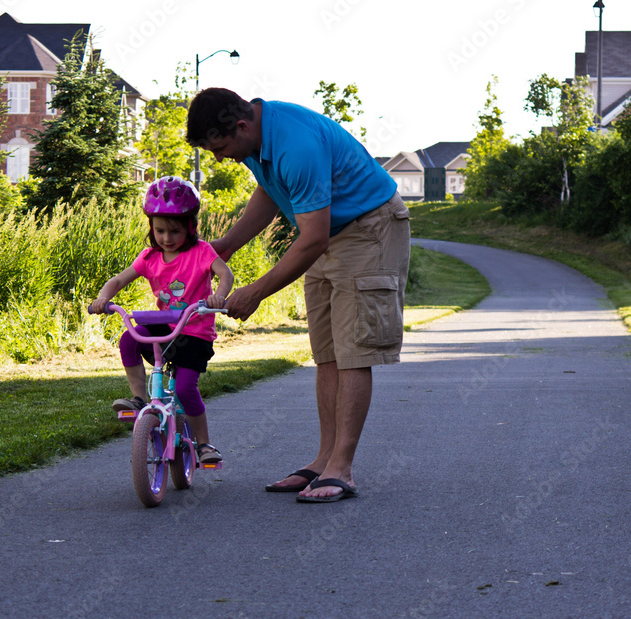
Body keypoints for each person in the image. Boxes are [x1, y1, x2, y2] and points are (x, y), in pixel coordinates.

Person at [186, 88, 410, 502]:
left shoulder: (295, 144)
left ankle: (341, 468)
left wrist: (256, 292)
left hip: (368, 230)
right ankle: (323, 461)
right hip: (328, 233)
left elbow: (312, 239)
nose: (219, 158)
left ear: (240, 126)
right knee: (326, 353)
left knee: (353, 352)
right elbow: (272, 192)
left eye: (220, 148)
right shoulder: (258, 140)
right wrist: (226, 245)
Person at [89, 176, 234, 464]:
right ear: (151, 228)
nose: (166, 238)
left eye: (175, 231)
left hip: (195, 333)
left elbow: (225, 274)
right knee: (130, 336)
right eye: (159, 230)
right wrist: (103, 297)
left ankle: (204, 443)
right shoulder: (149, 257)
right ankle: (139, 398)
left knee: (183, 388)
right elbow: (119, 280)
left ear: (191, 227)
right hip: (166, 327)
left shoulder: (201, 251)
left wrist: (218, 296)